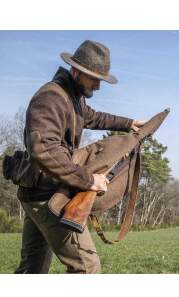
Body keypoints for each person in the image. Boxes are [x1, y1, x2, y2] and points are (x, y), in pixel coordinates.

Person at [15, 40, 146, 274]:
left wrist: (129, 124)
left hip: (38, 193)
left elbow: (93, 117)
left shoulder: (72, 97)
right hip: (46, 196)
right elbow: (43, 150)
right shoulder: (51, 97)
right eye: (94, 78)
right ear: (76, 70)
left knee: (31, 270)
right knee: (86, 268)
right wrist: (88, 180)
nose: (97, 85)